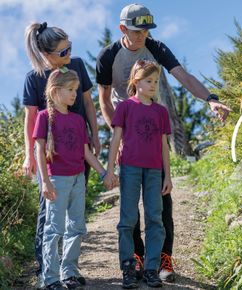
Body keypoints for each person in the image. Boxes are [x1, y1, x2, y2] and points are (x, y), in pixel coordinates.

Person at [96, 3, 231, 282]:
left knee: (161, 198)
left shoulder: (155, 47)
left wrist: (211, 100)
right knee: (130, 203)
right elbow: (105, 100)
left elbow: (182, 76)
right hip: (126, 128)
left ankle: (163, 257)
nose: (143, 35)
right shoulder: (108, 56)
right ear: (123, 29)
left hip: (152, 126)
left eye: (147, 30)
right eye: (137, 31)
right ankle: (136, 255)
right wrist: (118, 134)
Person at [23, 22, 100, 289]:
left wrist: (96, 134)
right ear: (46, 54)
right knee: (49, 216)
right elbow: (31, 120)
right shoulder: (34, 78)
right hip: (52, 161)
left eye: (70, 48)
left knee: (75, 215)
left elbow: (88, 102)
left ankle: (69, 270)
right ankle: (48, 272)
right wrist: (28, 156)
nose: (69, 54)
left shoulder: (77, 65)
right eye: (62, 51)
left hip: (78, 150)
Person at [33, 68, 115, 290]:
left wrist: (104, 173)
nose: (74, 95)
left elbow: (86, 152)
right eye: (70, 90)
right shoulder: (43, 118)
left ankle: (69, 271)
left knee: (76, 227)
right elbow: (38, 150)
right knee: (54, 228)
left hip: (78, 179)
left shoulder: (78, 120)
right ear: (55, 90)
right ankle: (50, 277)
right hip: (56, 181)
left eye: (76, 90)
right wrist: (45, 182)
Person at [105, 59, 172, 288]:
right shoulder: (125, 107)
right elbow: (115, 139)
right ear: (136, 81)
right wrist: (110, 170)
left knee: (155, 218)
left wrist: (168, 176)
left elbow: (164, 146)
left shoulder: (161, 112)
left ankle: (151, 269)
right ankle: (128, 267)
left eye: (156, 81)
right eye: (148, 80)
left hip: (154, 171)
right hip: (129, 169)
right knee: (128, 220)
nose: (153, 85)